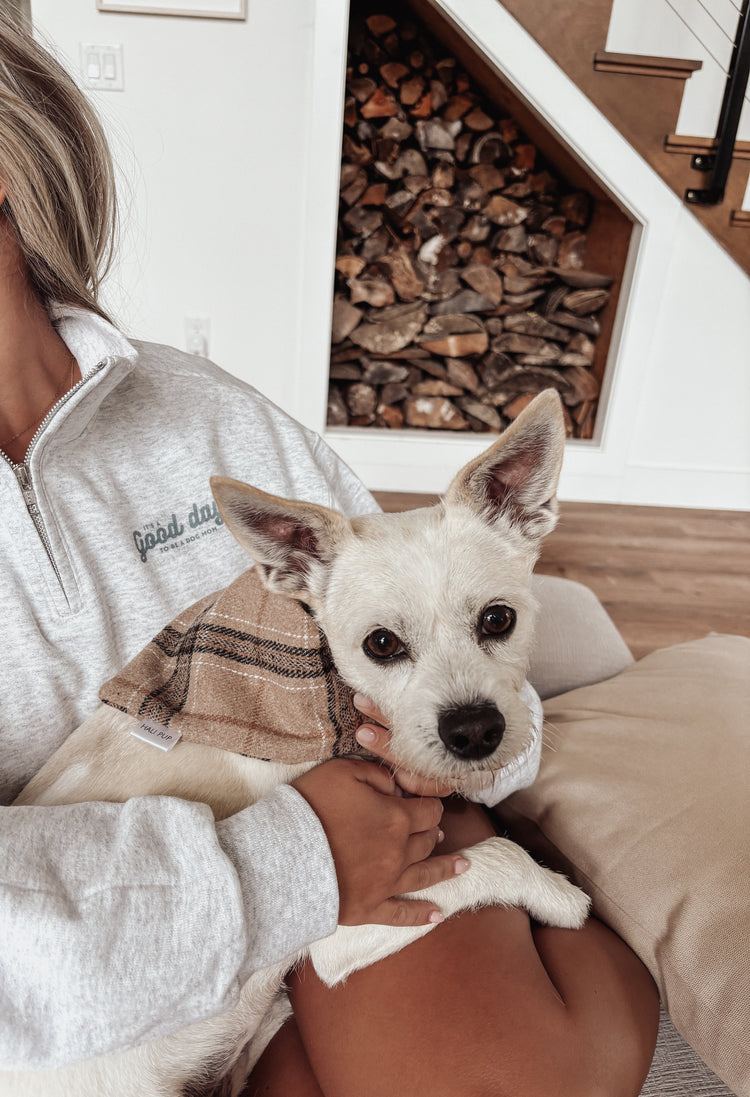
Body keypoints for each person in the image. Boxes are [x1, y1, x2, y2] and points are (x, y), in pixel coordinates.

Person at [0, 11, 659, 1093]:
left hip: (317, 878)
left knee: (521, 1072)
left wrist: (488, 742)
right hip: (74, 988)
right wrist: (292, 861)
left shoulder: (212, 423)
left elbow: (432, 619)